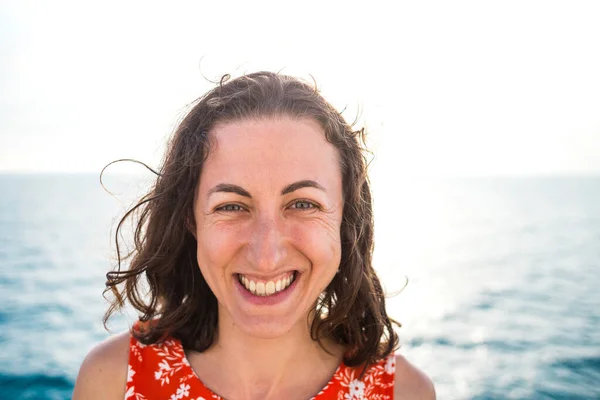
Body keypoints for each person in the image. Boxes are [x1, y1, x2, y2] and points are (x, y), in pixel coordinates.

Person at [72, 71, 435, 400]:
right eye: (231, 206)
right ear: (190, 219)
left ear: (346, 220)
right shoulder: (112, 381)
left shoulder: (405, 393)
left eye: (304, 204)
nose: (266, 256)